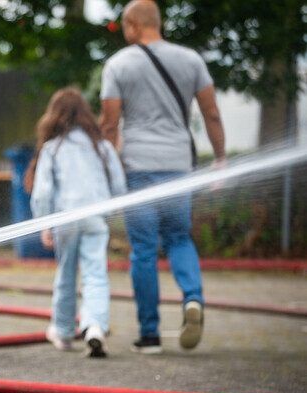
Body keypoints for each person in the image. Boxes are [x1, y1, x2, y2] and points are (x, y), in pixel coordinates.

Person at [99, 0, 226, 353]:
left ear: (135, 25)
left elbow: (109, 123)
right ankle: (193, 299)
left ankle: (150, 334)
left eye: (125, 25)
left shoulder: (119, 64)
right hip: (178, 167)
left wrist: (110, 171)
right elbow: (211, 114)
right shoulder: (191, 60)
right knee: (179, 238)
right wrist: (220, 159)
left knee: (143, 249)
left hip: (138, 167)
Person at [30, 88, 126, 358]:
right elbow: (118, 183)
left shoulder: (53, 148)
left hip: (66, 219)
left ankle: (62, 332)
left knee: (66, 274)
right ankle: (94, 326)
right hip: (96, 218)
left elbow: (43, 192)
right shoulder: (102, 146)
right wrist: (113, 210)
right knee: (96, 274)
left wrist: (44, 224)